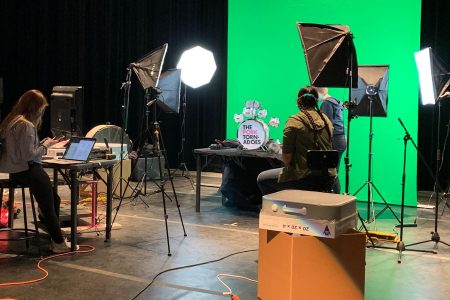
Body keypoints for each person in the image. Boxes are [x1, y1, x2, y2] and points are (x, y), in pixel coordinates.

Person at [0, 89, 77, 253]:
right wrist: (46, 146)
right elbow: (29, 155)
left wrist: (41, 144)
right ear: (35, 108)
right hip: (28, 169)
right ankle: (57, 241)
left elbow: (22, 150)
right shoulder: (26, 126)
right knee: (49, 205)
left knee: (54, 199)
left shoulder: (12, 121)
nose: (43, 111)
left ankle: (50, 229)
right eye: (42, 108)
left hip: (16, 170)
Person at [257, 86, 336, 195]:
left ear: (298, 102)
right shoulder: (327, 121)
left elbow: (287, 159)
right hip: (328, 177)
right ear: (316, 101)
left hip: (304, 177)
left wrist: (280, 149)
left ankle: (281, 210)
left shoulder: (294, 121)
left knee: (262, 179)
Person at [317, 87, 346, 194]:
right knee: (334, 171)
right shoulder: (335, 101)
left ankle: (334, 197)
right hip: (341, 139)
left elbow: (326, 125)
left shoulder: (326, 103)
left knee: (331, 172)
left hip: (334, 140)